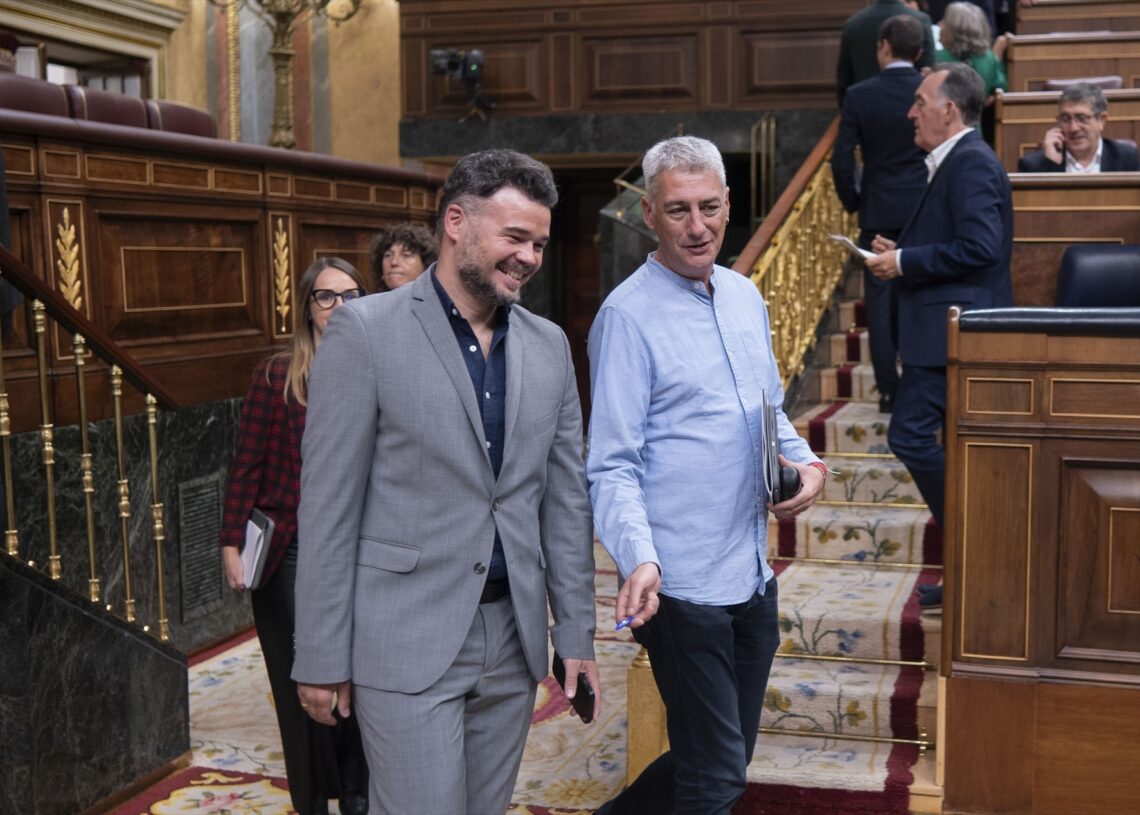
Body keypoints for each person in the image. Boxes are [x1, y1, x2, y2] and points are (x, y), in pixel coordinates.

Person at [291, 149, 599, 815]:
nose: (529, 257)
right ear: (456, 221)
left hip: (514, 639)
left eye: (540, 244)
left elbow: (566, 505)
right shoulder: (365, 331)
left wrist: (575, 634)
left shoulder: (549, 345)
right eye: (515, 237)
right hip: (404, 634)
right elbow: (328, 508)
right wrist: (318, 652)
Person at [587, 135, 827, 815]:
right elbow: (610, 464)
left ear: (728, 206)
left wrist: (806, 463)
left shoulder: (747, 297)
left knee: (715, 759)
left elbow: (767, 414)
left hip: (751, 575)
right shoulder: (626, 318)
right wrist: (639, 557)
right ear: (649, 217)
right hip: (680, 585)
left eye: (710, 207)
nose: (698, 226)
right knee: (716, 778)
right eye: (679, 210)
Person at [220, 256, 371, 815]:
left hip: (360, 551)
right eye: (327, 297)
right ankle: (312, 802)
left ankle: (357, 792)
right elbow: (246, 464)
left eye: (351, 295)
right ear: (308, 308)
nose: (340, 307)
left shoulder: (378, 369)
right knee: (299, 689)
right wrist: (231, 542)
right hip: (291, 552)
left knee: (360, 682)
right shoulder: (276, 377)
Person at [865, 63, 1013, 608]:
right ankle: (972, 561)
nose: (911, 111)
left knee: (908, 437)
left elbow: (982, 248)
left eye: (920, 101)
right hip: (942, 334)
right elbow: (957, 241)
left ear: (948, 109)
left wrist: (904, 260)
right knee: (949, 449)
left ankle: (977, 542)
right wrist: (900, 251)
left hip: (957, 335)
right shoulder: (955, 162)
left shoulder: (970, 161)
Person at [832, 14, 929, 413]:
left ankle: (889, 390)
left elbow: (841, 161)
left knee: (881, 301)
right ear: (920, 51)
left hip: (878, 208)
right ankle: (924, 383)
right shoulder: (930, 89)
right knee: (923, 291)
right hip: (925, 208)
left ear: (884, 47)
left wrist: (855, 200)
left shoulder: (859, 94)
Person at [1017, 83, 1140, 173]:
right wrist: (1049, 164)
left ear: (1101, 120)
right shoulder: (1033, 166)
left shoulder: (1128, 160)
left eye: (1082, 118)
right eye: (1065, 119)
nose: (1073, 128)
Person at [837, 0, 936, 105]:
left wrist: (846, 108)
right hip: (911, 105)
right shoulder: (921, 19)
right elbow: (928, 69)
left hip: (865, 105)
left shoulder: (853, 23)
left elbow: (844, 77)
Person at [367, 222, 438, 292]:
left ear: (425, 265)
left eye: (406, 255)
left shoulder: (437, 302)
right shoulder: (369, 302)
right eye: (388, 255)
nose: (394, 262)